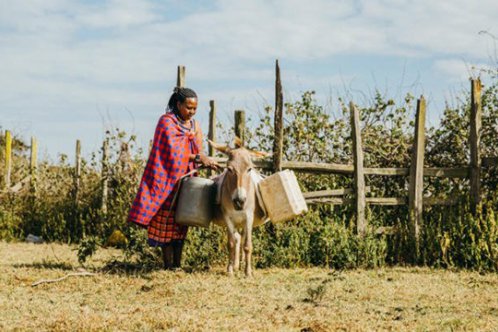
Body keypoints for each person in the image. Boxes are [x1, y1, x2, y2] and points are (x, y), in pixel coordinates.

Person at [128, 87, 219, 269]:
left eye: (194, 108)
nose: (192, 112)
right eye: (188, 107)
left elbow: (196, 151)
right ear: (178, 104)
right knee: (166, 221)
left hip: (186, 180)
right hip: (166, 180)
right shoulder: (167, 123)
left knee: (181, 221)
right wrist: (199, 158)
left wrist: (202, 158)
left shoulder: (195, 126)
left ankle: (178, 264)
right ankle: (168, 265)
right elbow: (172, 153)